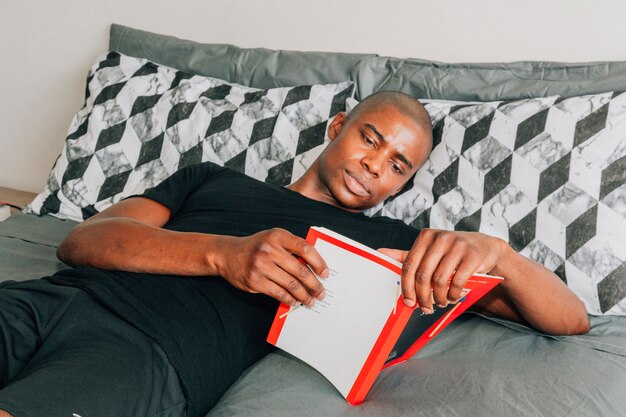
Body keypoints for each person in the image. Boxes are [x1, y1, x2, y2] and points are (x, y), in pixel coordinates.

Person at [0, 91, 589, 417]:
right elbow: (85, 241)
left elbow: (571, 321)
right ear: (337, 127)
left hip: (150, 354)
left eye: (398, 166)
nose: (374, 166)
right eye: (370, 139)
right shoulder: (213, 179)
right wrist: (224, 255)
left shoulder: (396, 246)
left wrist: (501, 255)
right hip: (46, 301)